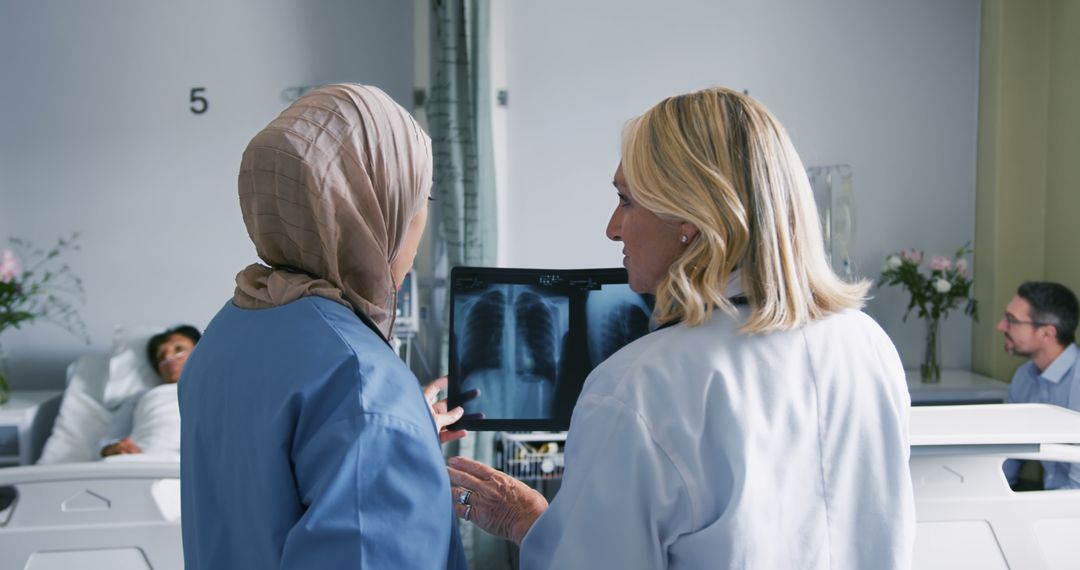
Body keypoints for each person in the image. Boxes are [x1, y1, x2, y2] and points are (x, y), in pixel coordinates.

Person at [448, 87, 915, 568]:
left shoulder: (639, 387)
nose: (613, 227)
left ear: (688, 218)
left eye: (626, 201)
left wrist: (530, 522)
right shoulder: (868, 345)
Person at [178, 84, 467, 569]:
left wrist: (399, 435)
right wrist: (383, 426)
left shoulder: (229, 329)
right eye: (422, 197)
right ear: (375, 206)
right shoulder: (361, 379)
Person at [998, 281, 1080, 490]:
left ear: (1047, 334)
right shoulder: (1024, 376)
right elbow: (1009, 454)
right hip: (1051, 504)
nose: (1001, 326)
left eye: (1011, 320)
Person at [99, 325, 201, 458]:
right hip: (142, 462)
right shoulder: (142, 397)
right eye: (162, 356)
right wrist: (112, 449)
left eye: (178, 349)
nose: (169, 358)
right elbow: (107, 442)